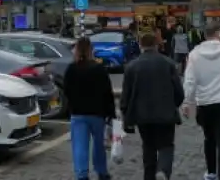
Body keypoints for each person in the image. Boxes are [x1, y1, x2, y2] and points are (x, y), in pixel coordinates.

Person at [182, 22, 220, 180]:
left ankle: (211, 172)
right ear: (218, 33)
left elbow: (189, 81)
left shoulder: (194, 54)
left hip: (205, 102)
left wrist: (187, 102)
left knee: (209, 139)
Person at [120, 33, 184, 180]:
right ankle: (163, 170)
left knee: (148, 147)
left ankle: (149, 176)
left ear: (140, 45)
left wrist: (125, 114)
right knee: (166, 145)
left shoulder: (131, 66)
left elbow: (126, 95)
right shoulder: (168, 63)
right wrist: (174, 104)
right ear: (157, 45)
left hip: (142, 115)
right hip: (165, 114)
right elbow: (179, 92)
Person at [63, 36, 116, 180]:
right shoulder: (98, 69)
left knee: (80, 145)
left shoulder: (71, 69)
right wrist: (111, 113)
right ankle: (101, 171)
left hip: (78, 113)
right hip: (97, 113)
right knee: (99, 145)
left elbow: (66, 90)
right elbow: (107, 92)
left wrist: (71, 106)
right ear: (91, 50)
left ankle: (82, 173)